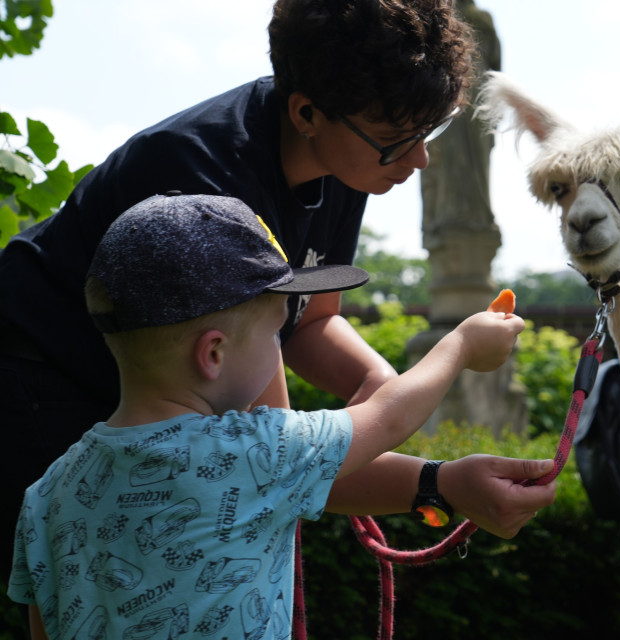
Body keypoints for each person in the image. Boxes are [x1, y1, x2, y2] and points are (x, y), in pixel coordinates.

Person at [0, 1, 556, 635]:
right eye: (398, 138)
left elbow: (310, 322)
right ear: (307, 114)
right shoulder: (203, 195)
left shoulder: (349, 158)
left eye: (430, 131)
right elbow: (268, 447)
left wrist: (374, 386)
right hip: (36, 377)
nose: (419, 160)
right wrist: (433, 467)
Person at [7, 193, 530, 640]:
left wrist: (446, 481)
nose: (279, 349)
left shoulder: (47, 495)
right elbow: (388, 417)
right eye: (273, 333)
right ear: (212, 354)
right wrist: (463, 344)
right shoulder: (254, 453)